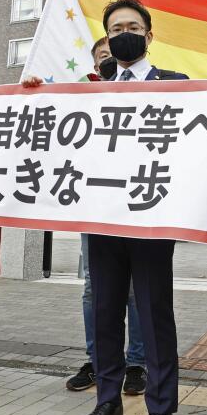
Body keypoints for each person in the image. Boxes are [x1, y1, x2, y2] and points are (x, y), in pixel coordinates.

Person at [23, 0, 207, 415]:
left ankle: (160, 409)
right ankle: (108, 401)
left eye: (132, 25)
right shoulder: (88, 89)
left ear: (149, 34)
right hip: (100, 219)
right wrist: (32, 93)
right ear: (106, 40)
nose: (124, 32)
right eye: (115, 28)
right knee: (104, 311)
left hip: (151, 220)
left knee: (153, 312)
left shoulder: (177, 85)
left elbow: (205, 142)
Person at [66, 37, 147, 396]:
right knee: (92, 289)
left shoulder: (150, 91)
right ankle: (97, 359)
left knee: (133, 289)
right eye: (103, 58)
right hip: (93, 205)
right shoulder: (83, 98)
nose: (110, 62)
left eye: (114, 56)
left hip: (136, 203)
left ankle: (136, 363)